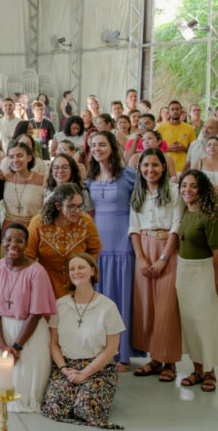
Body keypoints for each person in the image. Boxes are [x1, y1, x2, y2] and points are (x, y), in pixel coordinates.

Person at [175, 170, 218, 392]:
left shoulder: (210, 217)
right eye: (184, 185)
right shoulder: (186, 212)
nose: (187, 190)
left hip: (203, 273)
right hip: (183, 273)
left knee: (205, 323)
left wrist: (217, 283)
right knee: (190, 323)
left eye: (193, 186)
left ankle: (210, 372)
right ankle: (196, 369)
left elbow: (217, 253)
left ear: (202, 189)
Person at [43, 253, 126, 429]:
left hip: (98, 369)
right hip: (68, 367)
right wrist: (64, 369)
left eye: (81, 267)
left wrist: (86, 372)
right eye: (72, 269)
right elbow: (54, 344)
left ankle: (84, 400)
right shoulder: (60, 305)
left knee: (85, 407)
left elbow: (112, 348)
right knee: (55, 407)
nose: (76, 272)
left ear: (93, 271)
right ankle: (74, 396)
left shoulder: (107, 306)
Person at [0, 224, 57, 412]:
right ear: (2, 241)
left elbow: (36, 313)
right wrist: (2, 345)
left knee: (23, 388)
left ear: (26, 244)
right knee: (2, 390)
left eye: (19, 240)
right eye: (8, 239)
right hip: (2, 331)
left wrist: (16, 347)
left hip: (28, 333)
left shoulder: (37, 271)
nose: (13, 244)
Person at [128, 148, 183, 382]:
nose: (150, 170)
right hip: (144, 249)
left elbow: (177, 226)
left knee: (167, 307)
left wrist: (162, 259)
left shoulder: (174, 191)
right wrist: (141, 258)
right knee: (147, 305)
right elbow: (134, 228)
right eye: (145, 165)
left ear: (163, 166)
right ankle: (154, 358)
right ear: (140, 169)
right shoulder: (137, 193)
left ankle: (169, 361)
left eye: (155, 165)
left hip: (167, 249)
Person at [84, 130, 137, 370]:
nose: (97, 149)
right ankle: (102, 353)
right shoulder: (90, 177)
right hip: (99, 245)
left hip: (123, 243)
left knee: (121, 299)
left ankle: (123, 355)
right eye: (93, 145)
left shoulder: (128, 176)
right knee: (101, 299)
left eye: (102, 144)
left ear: (112, 147)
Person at [26, 183, 102, 299]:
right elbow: (28, 256)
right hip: (45, 283)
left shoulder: (86, 222)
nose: (77, 211)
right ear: (58, 206)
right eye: (71, 206)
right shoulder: (38, 222)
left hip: (76, 283)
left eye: (80, 206)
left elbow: (94, 250)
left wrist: (83, 274)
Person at [2, 142, 45, 231]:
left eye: (20, 156)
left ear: (29, 157)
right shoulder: (5, 178)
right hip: (9, 229)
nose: (15, 160)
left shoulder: (42, 179)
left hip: (33, 228)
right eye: (11, 157)